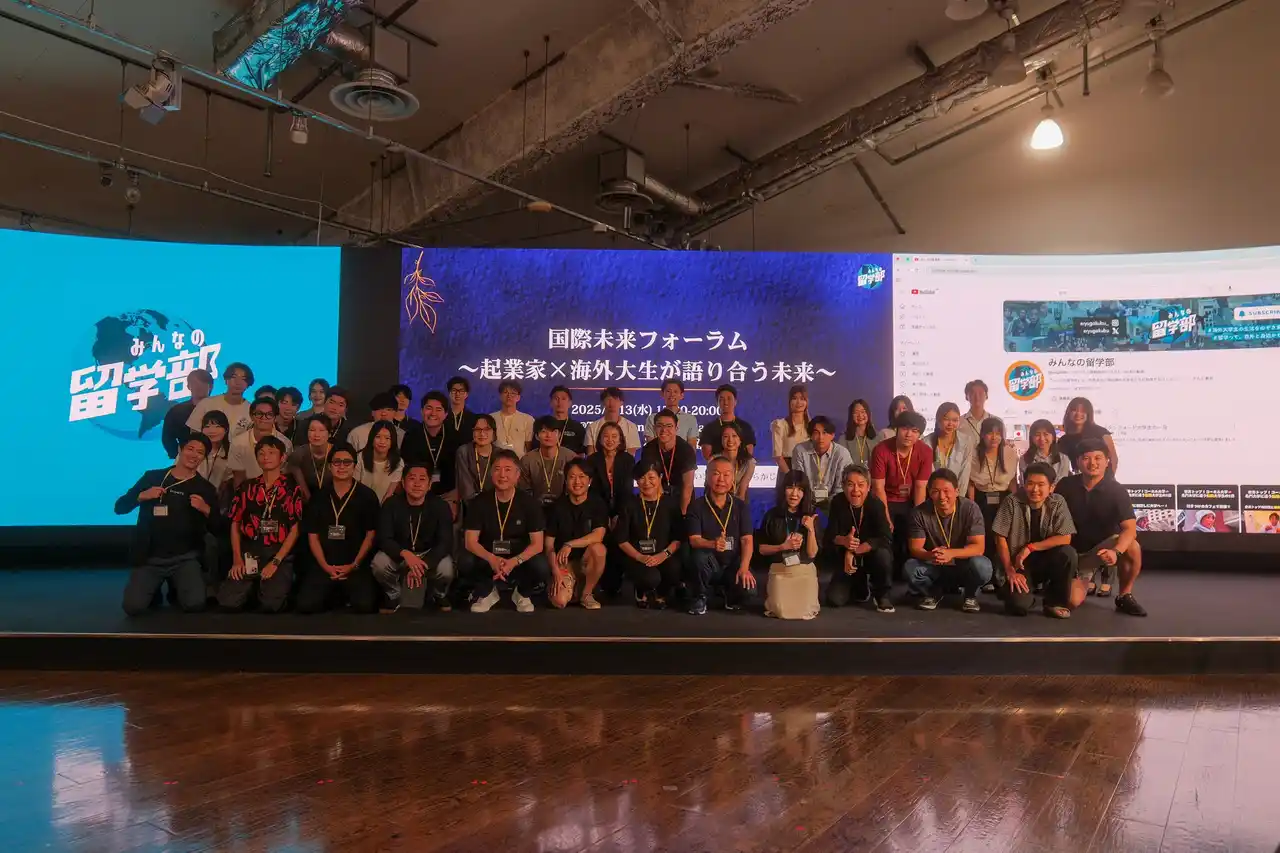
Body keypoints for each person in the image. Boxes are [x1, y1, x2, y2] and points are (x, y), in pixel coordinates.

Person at [117, 432, 221, 615]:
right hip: (150, 558)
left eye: (200, 452)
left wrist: (206, 509)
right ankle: (154, 589)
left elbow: (218, 528)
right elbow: (120, 507)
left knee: (195, 604)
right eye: (190, 449)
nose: (194, 455)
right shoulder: (153, 477)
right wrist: (141, 496)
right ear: (180, 449)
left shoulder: (205, 488)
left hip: (185, 558)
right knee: (133, 607)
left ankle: (176, 585)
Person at [1056, 438, 1146, 615]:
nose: (1092, 463)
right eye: (1086, 458)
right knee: (1072, 601)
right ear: (1078, 462)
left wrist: (1116, 552)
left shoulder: (1117, 491)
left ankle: (1124, 596)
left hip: (1100, 551)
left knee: (1132, 547)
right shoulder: (1065, 485)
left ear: (1107, 461)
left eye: (1098, 458)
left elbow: (1130, 529)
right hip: (1070, 552)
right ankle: (1072, 579)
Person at [218, 435, 303, 613]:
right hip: (250, 551)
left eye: (271, 453)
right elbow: (235, 523)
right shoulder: (247, 487)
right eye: (261, 453)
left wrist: (276, 561)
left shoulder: (291, 488)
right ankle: (252, 587)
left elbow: (295, 529)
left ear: (282, 458)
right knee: (228, 602)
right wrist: (237, 559)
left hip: (277, 553)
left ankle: (272, 586)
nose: (266, 457)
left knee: (271, 606)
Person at [461, 449, 552, 613]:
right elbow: (470, 541)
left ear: (517, 475)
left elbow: (537, 545)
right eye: (497, 469)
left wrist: (514, 561)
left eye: (508, 469)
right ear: (491, 473)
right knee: (465, 560)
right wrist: (492, 559)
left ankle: (522, 593)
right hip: (488, 554)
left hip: (518, 555)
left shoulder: (530, 503)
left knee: (541, 566)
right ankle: (487, 592)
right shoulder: (479, 502)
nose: (502, 474)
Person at [297, 443, 382, 614]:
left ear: (354, 466)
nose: (341, 466)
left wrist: (354, 564)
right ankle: (335, 594)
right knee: (305, 606)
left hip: (355, 564)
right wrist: (325, 566)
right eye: (337, 462)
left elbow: (370, 535)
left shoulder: (367, 496)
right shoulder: (319, 496)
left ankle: (341, 593)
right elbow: (312, 536)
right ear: (330, 466)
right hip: (325, 564)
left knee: (365, 606)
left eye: (347, 462)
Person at [993, 462, 1078, 619]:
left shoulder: (1058, 502)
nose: (1035, 489)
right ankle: (1022, 595)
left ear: (1051, 487)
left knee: (1068, 553)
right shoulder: (1012, 501)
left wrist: (1030, 548)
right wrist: (1010, 570)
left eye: (1041, 484)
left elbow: (1066, 537)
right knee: (1018, 606)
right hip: (1018, 563)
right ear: (1024, 484)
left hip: (1046, 559)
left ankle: (1054, 602)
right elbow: (1000, 537)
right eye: (1030, 483)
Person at [905, 469, 993, 613]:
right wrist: (932, 555)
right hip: (935, 564)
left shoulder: (970, 508)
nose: (941, 497)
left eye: (946, 491)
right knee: (910, 567)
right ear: (929, 492)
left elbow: (978, 547)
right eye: (935, 491)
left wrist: (951, 553)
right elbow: (915, 548)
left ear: (957, 491)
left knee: (983, 566)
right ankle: (933, 592)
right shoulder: (919, 513)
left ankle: (970, 595)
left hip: (963, 564)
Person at [371, 462, 455, 611]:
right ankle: (393, 594)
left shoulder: (441, 506)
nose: (417, 484)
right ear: (403, 483)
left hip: (428, 554)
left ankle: (438, 594)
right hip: (400, 554)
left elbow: (445, 542)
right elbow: (383, 538)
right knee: (379, 563)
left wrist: (421, 565)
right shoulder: (391, 504)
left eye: (422, 479)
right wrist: (405, 554)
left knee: (446, 568)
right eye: (412, 478)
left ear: (429, 485)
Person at [685, 456, 756, 615]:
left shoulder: (740, 506)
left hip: (732, 563)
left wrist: (744, 567)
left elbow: (747, 540)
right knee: (699, 557)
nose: (721, 479)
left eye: (726, 475)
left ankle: (729, 595)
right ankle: (700, 596)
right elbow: (694, 540)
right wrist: (712, 544)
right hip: (710, 563)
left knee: (749, 590)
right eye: (716, 474)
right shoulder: (696, 506)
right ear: (707, 476)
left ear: (733, 478)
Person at [823, 464, 895, 612]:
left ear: (868, 487)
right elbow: (829, 536)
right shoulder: (837, 502)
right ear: (843, 486)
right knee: (834, 600)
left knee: (883, 554)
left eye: (861, 485)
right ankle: (859, 583)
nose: (856, 490)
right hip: (845, 557)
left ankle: (882, 594)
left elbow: (885, 537)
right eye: (850, 485)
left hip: (870, 554)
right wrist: (844, 541)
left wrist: (854, 551)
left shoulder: (876, 504)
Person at [615, 461, 684, 609]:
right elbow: (622, 540)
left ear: (660, 477)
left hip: (663, 554)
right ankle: (641, 592)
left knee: (675, 568)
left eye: (651, 477)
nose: (646, 483)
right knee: (650, 577)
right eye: (641, 478)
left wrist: (664, 555)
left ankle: (661, 594)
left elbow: (678, 538)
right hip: (637, 556)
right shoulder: (629, 504)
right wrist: (640, 557)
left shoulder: (671, 504)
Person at [869, 410, 932, 567]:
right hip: (886, 499)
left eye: (914, 431)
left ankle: (907, 571)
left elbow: (920, 487)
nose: (909, 434)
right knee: (886, 535)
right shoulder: (881, 450)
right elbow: (878, 487)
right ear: (896, 429)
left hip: (911, 499)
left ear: (919, 434)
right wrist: (886, 517)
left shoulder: (925, 451)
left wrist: (918, 519)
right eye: (905, 429)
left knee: (911, 533)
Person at [544, 459, 609, 609]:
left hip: (586, 560)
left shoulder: (598, 504)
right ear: (566, 480)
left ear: (589, 481)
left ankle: (586, 594)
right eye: (572, 477)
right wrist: (555, 571)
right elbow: (549, 546)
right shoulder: (557, 507)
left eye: (582, 477)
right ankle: (574, 585)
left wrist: (569, 544)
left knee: (599, 549)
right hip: (564, 562)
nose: (577, 482)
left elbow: (598, 535)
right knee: (559, 601)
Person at [756, 470, 820, 620]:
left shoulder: (811, 516)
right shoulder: (772, 515)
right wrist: (782, 547)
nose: (794, 494)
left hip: (803, 571)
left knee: (804, 610)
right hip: (780, 570)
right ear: (783, 490)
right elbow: (761, 549)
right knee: (781, 610)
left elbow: (812, 554)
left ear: (805, 493)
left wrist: (811, 530)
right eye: (790, 488)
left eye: (800, 489)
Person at [967, 416, 1019, 586]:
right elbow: (971, 483)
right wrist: (972, 507)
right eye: (990, 433)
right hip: (981, 498)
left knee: (1004, 536)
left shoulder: (1009, 453)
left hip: (1004, 498)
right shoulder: (974, 454)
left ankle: (1004, 572)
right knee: (986, 535)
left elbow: (1012, 480)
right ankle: (987, 576)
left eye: (998, 433)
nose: (994, 437)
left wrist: (1017, 503)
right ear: (982, 435)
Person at [636, 410, 696, 514]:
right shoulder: (649, 449)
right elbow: (648, 482)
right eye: (660, 426)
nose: (664, 430)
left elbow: (688, 485)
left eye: (669, 426)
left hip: (682, 497)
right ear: (654, 428)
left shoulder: (686, 450)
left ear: (676, 428)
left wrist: (683, 514)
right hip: (658, 496)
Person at [790, 416, 852, 510]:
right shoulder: (800, 451)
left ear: (832, 435)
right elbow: (799, 482)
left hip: (835, 503)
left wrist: (828, 504)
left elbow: (841, 487)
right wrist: (809, 503)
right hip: (806, 502)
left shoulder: (842, 454)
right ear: (810, 435)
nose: (821, 437)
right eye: (816, 433)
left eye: (825, 433)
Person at [229, 397, 293, 489]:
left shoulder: (285, 443)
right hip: (247, 491)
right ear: (251, 416)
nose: (264, 418)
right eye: (259, 414)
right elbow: (238, 478)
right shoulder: (238, 442)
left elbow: (285, 474)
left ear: (275, 418)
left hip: (277, 491)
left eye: (269, 414)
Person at [400, 391, 453, 498]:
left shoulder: (454, 436)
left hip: (449, 494)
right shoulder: (411, 436)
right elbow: (407, 469)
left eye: (438, 409)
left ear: (446, 414)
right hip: (417, 493)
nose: (433, 413)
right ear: (421, 411)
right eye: (429, 408)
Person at [518, 416, 577, 508]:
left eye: (554, 431)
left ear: (559, 434)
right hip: (535, 507)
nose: (549, 435)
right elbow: (524, 490)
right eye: (544, 431)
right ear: (537, 436)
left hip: (565, 507)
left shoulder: (571, 457)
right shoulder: (527, 460)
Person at [186, 361, 254, 437]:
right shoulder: (206, 403)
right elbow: (194, 433)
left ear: (248, 384)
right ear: (226, 380)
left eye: (243, 379)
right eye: (234, 377)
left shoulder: (251, 410)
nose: (238, 382)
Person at [586, 421, 636, 519]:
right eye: (606, 436)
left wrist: (620, 515)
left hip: (623, 509)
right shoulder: (592, 460)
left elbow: (627, 490)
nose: (610, 440)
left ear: (620, 440)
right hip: (598, 508)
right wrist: (602, 516)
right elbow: (594, 491)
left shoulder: (628, 459)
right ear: (600, 439)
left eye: (614, 436)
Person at [924, 402, 975, 496]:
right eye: (946, 419)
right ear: (938, 420)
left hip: (956, 495)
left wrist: (958, 498)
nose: (950, 424)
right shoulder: (926, 442)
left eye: (955, 420)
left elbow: (964, 473)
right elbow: (928, 475)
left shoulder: (966, 442)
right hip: (933, 495)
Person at [1058, 397, 1119, 473]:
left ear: (1088, 414)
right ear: (1069, 413)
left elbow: (1113, 459)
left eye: (1083, 411)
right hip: (1077, 478)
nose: (1078, 414)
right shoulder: (1064, 440)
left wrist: (1108, 478)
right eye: (1074, 410)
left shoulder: (1101, 432)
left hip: (1102, 478)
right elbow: (1061, 465)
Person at [162, 368, 213, 458]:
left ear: (211, 386)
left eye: (203, 382)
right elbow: (167, 438)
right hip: (187, 459)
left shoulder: (220, 408)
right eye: (195, 383)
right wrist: (179, 456)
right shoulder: (177, 411)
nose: (199, 386)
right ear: (188, 386)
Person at [699, 384, 756, 461]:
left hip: (740, 467)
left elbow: (748, 453)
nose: (725, 402)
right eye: (722, 399)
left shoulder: (745, 427)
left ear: (735, 402)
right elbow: (707, 455)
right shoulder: (709, 428)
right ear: (717, 402)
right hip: (717, 467)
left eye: (729, 399)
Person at [354, 421, 403, 503]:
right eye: (378, 437)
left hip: (384, 504)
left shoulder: (398, 462)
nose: (382, 441)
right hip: (361, 502)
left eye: (387, 438)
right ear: (371, 438)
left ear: (392, 441)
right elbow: (356, 488)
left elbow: (389, 494)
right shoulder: (360, 458)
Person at [285, 415, 333, 501]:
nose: (316, 435)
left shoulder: (338, 453)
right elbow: (302, 492)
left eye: (321, 430)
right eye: (312, 430)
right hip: (306, 501)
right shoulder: (298, 454)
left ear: (329, 433)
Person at [643, 379, 700, 448]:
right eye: (668, 391)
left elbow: (692, 447)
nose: (672, 394)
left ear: (682, 395)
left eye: (675, 391)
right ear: (662, 394)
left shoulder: (690, 419)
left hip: (683, 454)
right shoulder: (652, 418)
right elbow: (650, 446)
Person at [585, 387, 642, 453]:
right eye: (608, 399)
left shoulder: (631, 427)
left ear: (621, 402)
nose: (612, 403)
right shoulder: (592, 427)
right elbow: (591, 455)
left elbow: (631, 455)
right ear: (603, 402)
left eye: (615, 399)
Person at [454, 414, 497, 503]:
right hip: (471, 504)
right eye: (477, 429)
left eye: (487, 429)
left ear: (494, 432)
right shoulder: (464, 452)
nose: (482, 433)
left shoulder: (500, 454)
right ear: (472, 432)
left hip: (496, 504)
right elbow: (466, 489)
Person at [770, 385, 810, 474]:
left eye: (802, 399)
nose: (798, 402)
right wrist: (790, 475)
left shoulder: (812, 425)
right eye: (795, 398)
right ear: (789, 402)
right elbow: (778, 456)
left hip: (810, 470)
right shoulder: (780, 425)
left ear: (807, 402)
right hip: (787, 470)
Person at [1019, 418, 1072, 484]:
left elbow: (1062, 482)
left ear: (1053, 437)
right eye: (1037, 435)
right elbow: (1025, 483)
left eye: (1046, 434)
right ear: (1032, 438)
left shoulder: (1063, 459)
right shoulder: (1025, 459)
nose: (1042, 438)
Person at [492, 379, 535, 454]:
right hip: (496, 460)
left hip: (520, 460)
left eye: (513, 393)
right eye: (505, 392)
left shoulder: (528, 419)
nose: (509, 396)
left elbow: (529, 448)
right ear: (500, 396)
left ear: (518, 397)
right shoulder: (491, 418)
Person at [196, 410, 233, 496]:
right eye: (207, 426)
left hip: (217, 499)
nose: (212, 431)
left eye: (217, 426)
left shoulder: (232, 452)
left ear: (226, 429)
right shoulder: (192, 449)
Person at [443, 375, 480, 456]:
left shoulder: (473, 418)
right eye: (454, 390)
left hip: (466, 459)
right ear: (449, 393)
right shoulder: (441, 417)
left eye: (461, 391)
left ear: (466, 394)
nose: (457, 394)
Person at [547, 385, 588, 455]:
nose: (559, 402)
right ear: (551, 402)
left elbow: (582, 453)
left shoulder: (577, 427)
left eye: (563, 399)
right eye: (556, 398)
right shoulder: (544, 425)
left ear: (570, 403)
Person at [720, 423, 755, 500]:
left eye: (734, 436)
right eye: (726, 436)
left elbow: (742, 492)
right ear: (721, 440)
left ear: (740, 440)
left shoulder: (749, 462)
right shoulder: (714, 460)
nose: (730, 440)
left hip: (738, 500)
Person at [839, 398, 878, 468]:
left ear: (868, 414)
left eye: (863, 412)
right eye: (856, 412)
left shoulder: (878, 437)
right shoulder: (843, 440)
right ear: (851, 416)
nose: (860, 415)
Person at [960, 379, 994, 445]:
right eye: (972, 393)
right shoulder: (959, 423)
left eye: (980, 393)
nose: (977, 397)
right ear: (966, 397)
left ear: (986, 396)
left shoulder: (996, 421)